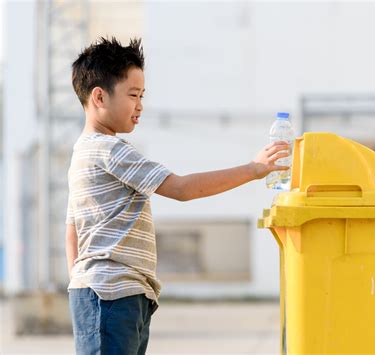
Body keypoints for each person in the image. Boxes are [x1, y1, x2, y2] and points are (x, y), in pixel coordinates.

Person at [65, 36, 290, 355]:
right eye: (133, 95)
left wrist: (79, 282)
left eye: (142, 95)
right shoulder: (110, 150)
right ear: (99, 97)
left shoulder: (82, 153)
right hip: (111, 295)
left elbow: (72, 228)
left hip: (116, 294)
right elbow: (181, 189)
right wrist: (253, 169)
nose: (140, 105)